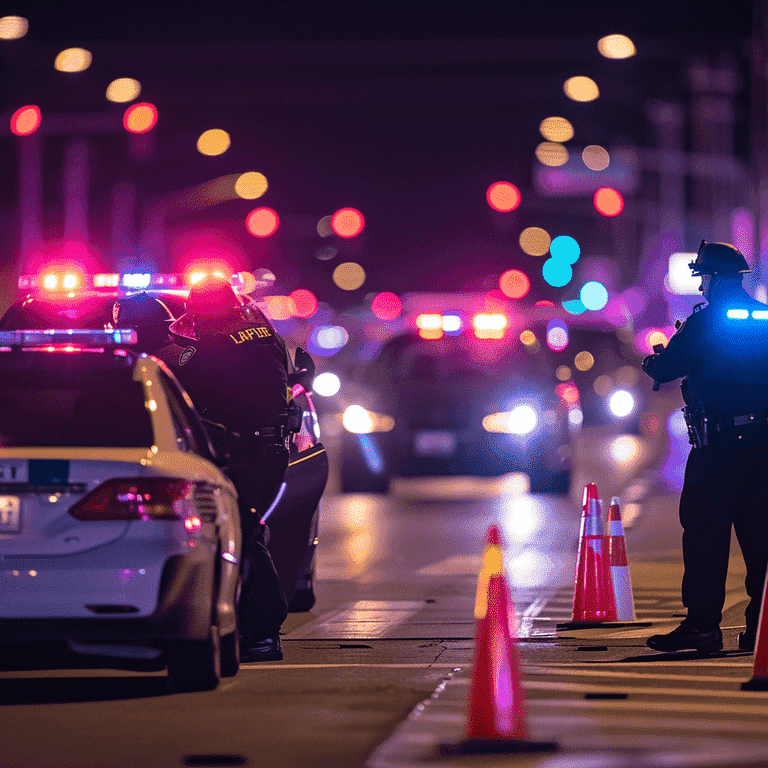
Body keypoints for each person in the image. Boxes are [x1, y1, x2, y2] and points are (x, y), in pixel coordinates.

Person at [114, 283, 290, 662]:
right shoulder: (264, 337)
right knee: (249, 531)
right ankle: (256, 629)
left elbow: (192, 386)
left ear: (206, 315)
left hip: (244, 450)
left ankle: (261, 633)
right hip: (269, 449)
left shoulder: (213, 349)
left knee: (244, 533)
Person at [642, 241, 768, 653]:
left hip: (718, 449)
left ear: (711, 279)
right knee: (762, 541)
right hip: (763, 447)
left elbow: (665, 367)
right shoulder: (765, 319)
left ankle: (702, 628)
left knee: (705, 537)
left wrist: (653, 359)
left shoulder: (705, 322)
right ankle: (760, 630)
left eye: (703, 278)